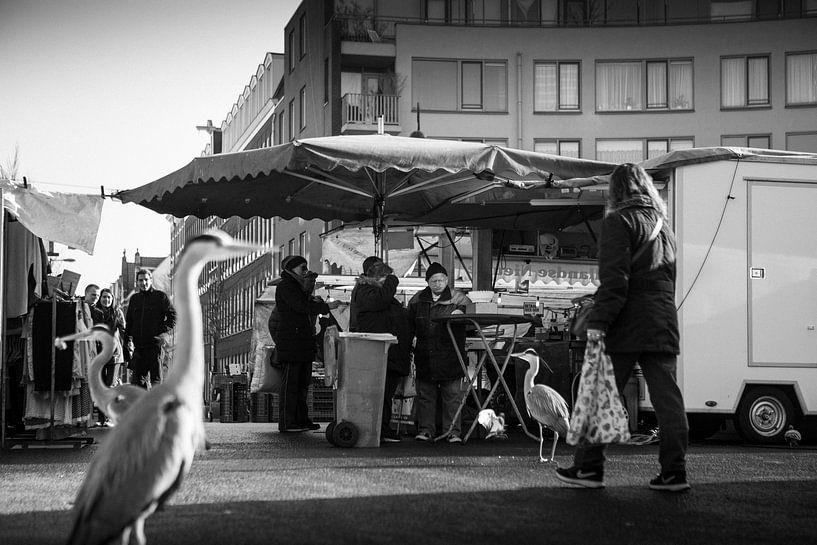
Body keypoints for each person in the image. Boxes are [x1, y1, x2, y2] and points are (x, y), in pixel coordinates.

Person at [555, 163, 689, 492]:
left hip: (627, 323)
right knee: (668, 400)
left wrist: (598, 323)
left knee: (600, 392)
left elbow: (615, 282)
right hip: (662, 320)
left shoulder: (618, 221)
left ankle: (589, 468)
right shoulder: (664, 226)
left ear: (616, 191)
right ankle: (675, 472)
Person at [269, 255, 338, 433]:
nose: (306, 272)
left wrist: (318, 302)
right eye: (303, 268)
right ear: (292, 270)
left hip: (301, 342)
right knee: (291, 384)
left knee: (302, 385)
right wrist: (325, 307)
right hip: (292, 342)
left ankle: (300, 419)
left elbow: (304, 304)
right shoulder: (287, 287)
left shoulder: (298, 288)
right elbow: (300, 307)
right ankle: (287, 422)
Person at [407, 262, 472, 443]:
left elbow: (473, 321)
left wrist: (462, 312)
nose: (438, 283)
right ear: (427, 282)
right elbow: (408, 327)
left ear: (447, 280)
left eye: (441, 280)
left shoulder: (460, 299)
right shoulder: (416, 300)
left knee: (452, 397)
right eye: (434, 280)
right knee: (425, 396)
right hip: (425, 356)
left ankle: (453, 432)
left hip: (451, 356)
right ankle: (426, 430)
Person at [349, 256, 411, 443]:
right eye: (386, 280)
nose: (389, 286)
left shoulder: (373, 293)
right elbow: (381, 301)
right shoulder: (367, 291)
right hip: (378, 353)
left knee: (385, 393)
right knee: (380, 392)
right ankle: (379, 429)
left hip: (388, 353)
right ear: (379, 278)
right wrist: (392, 280)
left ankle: (381, 427)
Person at [124, 268, 176, 389]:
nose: (144, 283)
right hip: (139, 347)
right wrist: (127, 341)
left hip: (155, 346)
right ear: (137, 282)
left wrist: (161, 330)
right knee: (137, 382)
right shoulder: (134, 299)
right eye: (141, 280)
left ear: (151, 280)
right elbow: (129, 322)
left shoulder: (160, 297)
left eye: (146, 280)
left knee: (156, 380)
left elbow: (173, 316)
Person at [92, 288, 127, 426]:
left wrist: (128, 347)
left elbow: (124, 331)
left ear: (112, 299)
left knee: (110, 385)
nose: (106, 300)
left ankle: (111, 418)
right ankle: (101, 418)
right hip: (99, 353)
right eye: (104, 297)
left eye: (109, 297)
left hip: (114, 354)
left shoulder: (117, 312)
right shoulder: (95, 312)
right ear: (100, 299)